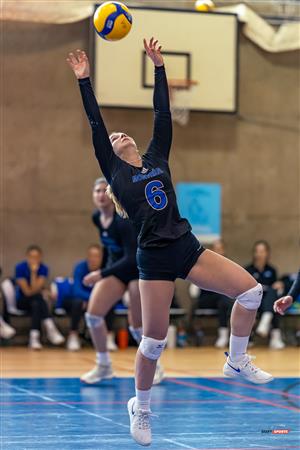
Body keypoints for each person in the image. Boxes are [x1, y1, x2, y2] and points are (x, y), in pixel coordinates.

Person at [67, 40, 272, 446]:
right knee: (154, 341)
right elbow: (95, 124)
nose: (118, 134)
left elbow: (163, 113)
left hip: (186, 246)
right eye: (114, 138)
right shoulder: (115, 175)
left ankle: (236, 359)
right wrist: (84, 80)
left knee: (251, 291)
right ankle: (140, 409)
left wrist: (159, 68)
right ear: (109, 158)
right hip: (154, 259)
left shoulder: (158, 157)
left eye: (123, 134)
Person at [79, 178, 164, 385]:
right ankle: (103, 365)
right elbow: (109, 248)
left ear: (111, 195)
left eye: (103, 191)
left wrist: (101, 273)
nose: (100, 195)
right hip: (117, 270)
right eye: (96, 191)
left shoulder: (122, 220)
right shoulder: (97, 218)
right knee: (93, 315)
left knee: (136, 325)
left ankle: (155, 366)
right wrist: (106, 272)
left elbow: (130, 256)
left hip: (136, 269)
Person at [15, 245, 64, 350]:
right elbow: (28, 292)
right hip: (22, 301)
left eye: (37, 257)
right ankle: (50, 327)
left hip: (35, 302)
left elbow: (37, 287)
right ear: (27, 257)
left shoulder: (43, 268)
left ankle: (34, 338)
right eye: (32, 257)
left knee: (37, 303)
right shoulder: (20, 268)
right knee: (38, 298)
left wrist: (41, 290)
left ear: (40, 257)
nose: (34, 260)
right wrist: (33, 273)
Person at [189, 239, 234, 348]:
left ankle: (223, 336)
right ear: (212, 251)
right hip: (206, 298)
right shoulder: (204, 265)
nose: (219, 252)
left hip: (222, 300)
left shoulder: (229, 266)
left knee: (224, 300)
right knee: (224, 298)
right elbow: (194, 289)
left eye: (221, 249)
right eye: (216, 249)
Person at [63, 244, 104, 351]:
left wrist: (93, 301)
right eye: (91, 256)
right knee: (78, 302)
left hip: (94, 301)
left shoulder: (105, 269)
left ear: (101, 258)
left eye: (97, 256)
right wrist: (92, 299)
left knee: (109, 303)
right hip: (74, 300)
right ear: (87, 257)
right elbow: (76, 291)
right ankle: (73, 335)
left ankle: (108, 336)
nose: (93, 259)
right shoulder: (80, 267)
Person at [245, 240, 284, 349]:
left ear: (267, 253)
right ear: (254, 253)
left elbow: (274, 287)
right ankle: (264, 324)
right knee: (272, 302)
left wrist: (278, 285)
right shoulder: (248, 269)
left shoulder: (272, 270)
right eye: (257, 251)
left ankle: (273, 336)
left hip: (268, 302)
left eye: (262, 251)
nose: (260, 254)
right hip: (253, 300)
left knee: (274, 295)